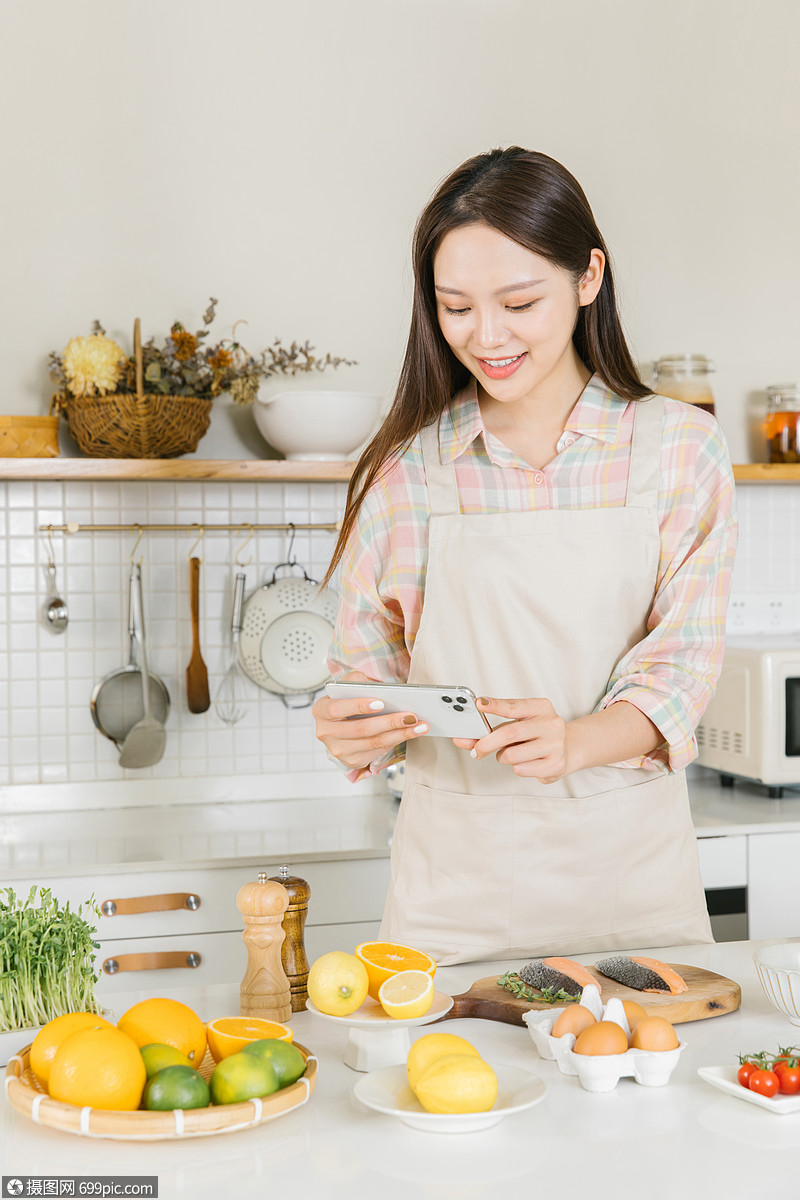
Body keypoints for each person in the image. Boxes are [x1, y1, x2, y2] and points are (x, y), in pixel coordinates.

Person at [312, 147, 737, 966]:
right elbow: (368, 679)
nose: (488, 336)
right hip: (452, 902)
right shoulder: (404, 469)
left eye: (519, 301)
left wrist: (575, 743)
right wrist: (354, 727)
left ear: (587, 278)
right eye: (456, 307)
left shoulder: (680, 448)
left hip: (632, 891)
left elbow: (681, 671)